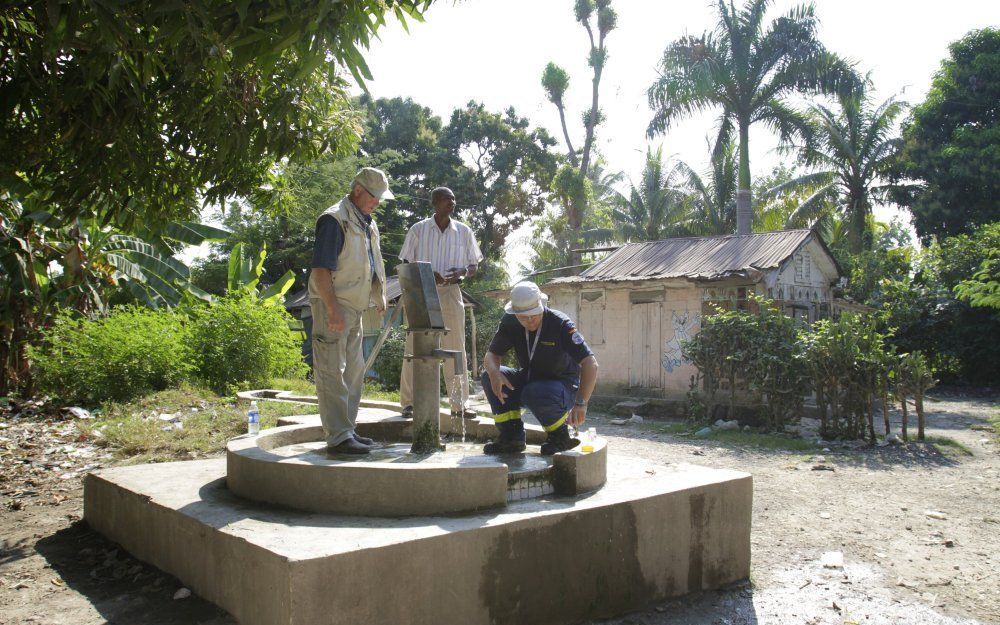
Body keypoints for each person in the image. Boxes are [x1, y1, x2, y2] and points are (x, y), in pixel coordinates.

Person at [308, 167, 392, 455]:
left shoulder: (367, 223)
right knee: (332, 370)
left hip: (356, 307)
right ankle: (339, 436)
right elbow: (321, 271)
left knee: (355, 371)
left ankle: (348, 430)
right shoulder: (334, 220)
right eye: (374, 196)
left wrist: (378, 294)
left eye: (381, 198)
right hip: (333, 303)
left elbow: (371, 261)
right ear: (358, 190)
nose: (378, 202)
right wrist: (332, 309)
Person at [481, 281, 599, 455]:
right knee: (488, 376)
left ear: (542, 305)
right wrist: (494, 373)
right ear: (515, 313)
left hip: (562, 386)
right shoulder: (510, 322)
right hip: (530, 379)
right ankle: (511, 437)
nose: (530, 320)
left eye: (534, 314)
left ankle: (560, 437)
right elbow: (492, 355)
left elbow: (591, 364)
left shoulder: (560, 324)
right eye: (523, 317)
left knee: (534, 391)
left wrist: (581, 403)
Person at [398, 186, 483, 416]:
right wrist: (426, 273)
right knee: (415, 346)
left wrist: (463, 272)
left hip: (451, 291)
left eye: (454, 198)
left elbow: (475, 265)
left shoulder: (463, 231)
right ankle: (409, 404)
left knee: (456, 347)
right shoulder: (418, 229)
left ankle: (459, 405)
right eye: (446, 199)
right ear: (434, 203)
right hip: (421, 290)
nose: (452, 202)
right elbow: (405, 262)